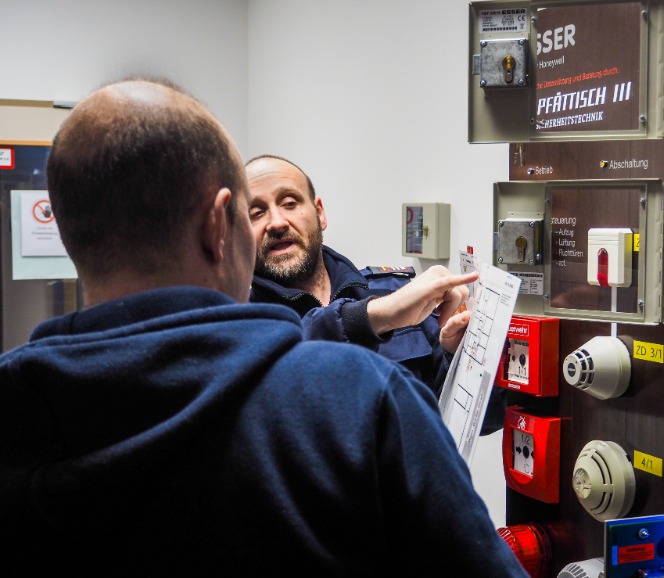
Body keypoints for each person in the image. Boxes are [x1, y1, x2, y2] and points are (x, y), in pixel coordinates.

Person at [0, 77, 526, 576]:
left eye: (290, 203)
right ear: (217, 226)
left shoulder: (15, 407)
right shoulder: (360, 397)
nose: (273, 224)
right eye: (250, 215)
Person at [247, 155, 506, 431]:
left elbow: (473, 421)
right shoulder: (240, 324)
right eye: (256, 213)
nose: (276, 222)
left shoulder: (392, 290)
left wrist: (459, 356)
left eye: (289, 203)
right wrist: (378, 316)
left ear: (320, 213)